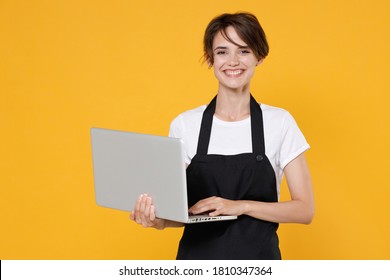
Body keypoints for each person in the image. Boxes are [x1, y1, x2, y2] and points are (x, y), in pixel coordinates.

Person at [130, 12, 314, 260]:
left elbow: (304, 210)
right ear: (210, 59)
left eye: (244, 51)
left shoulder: (280, 122)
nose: (233, 61)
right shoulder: (185, 125)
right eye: (222, 52)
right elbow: (181, 213)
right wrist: (156, 220)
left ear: (258, 56)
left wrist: (240, 206)